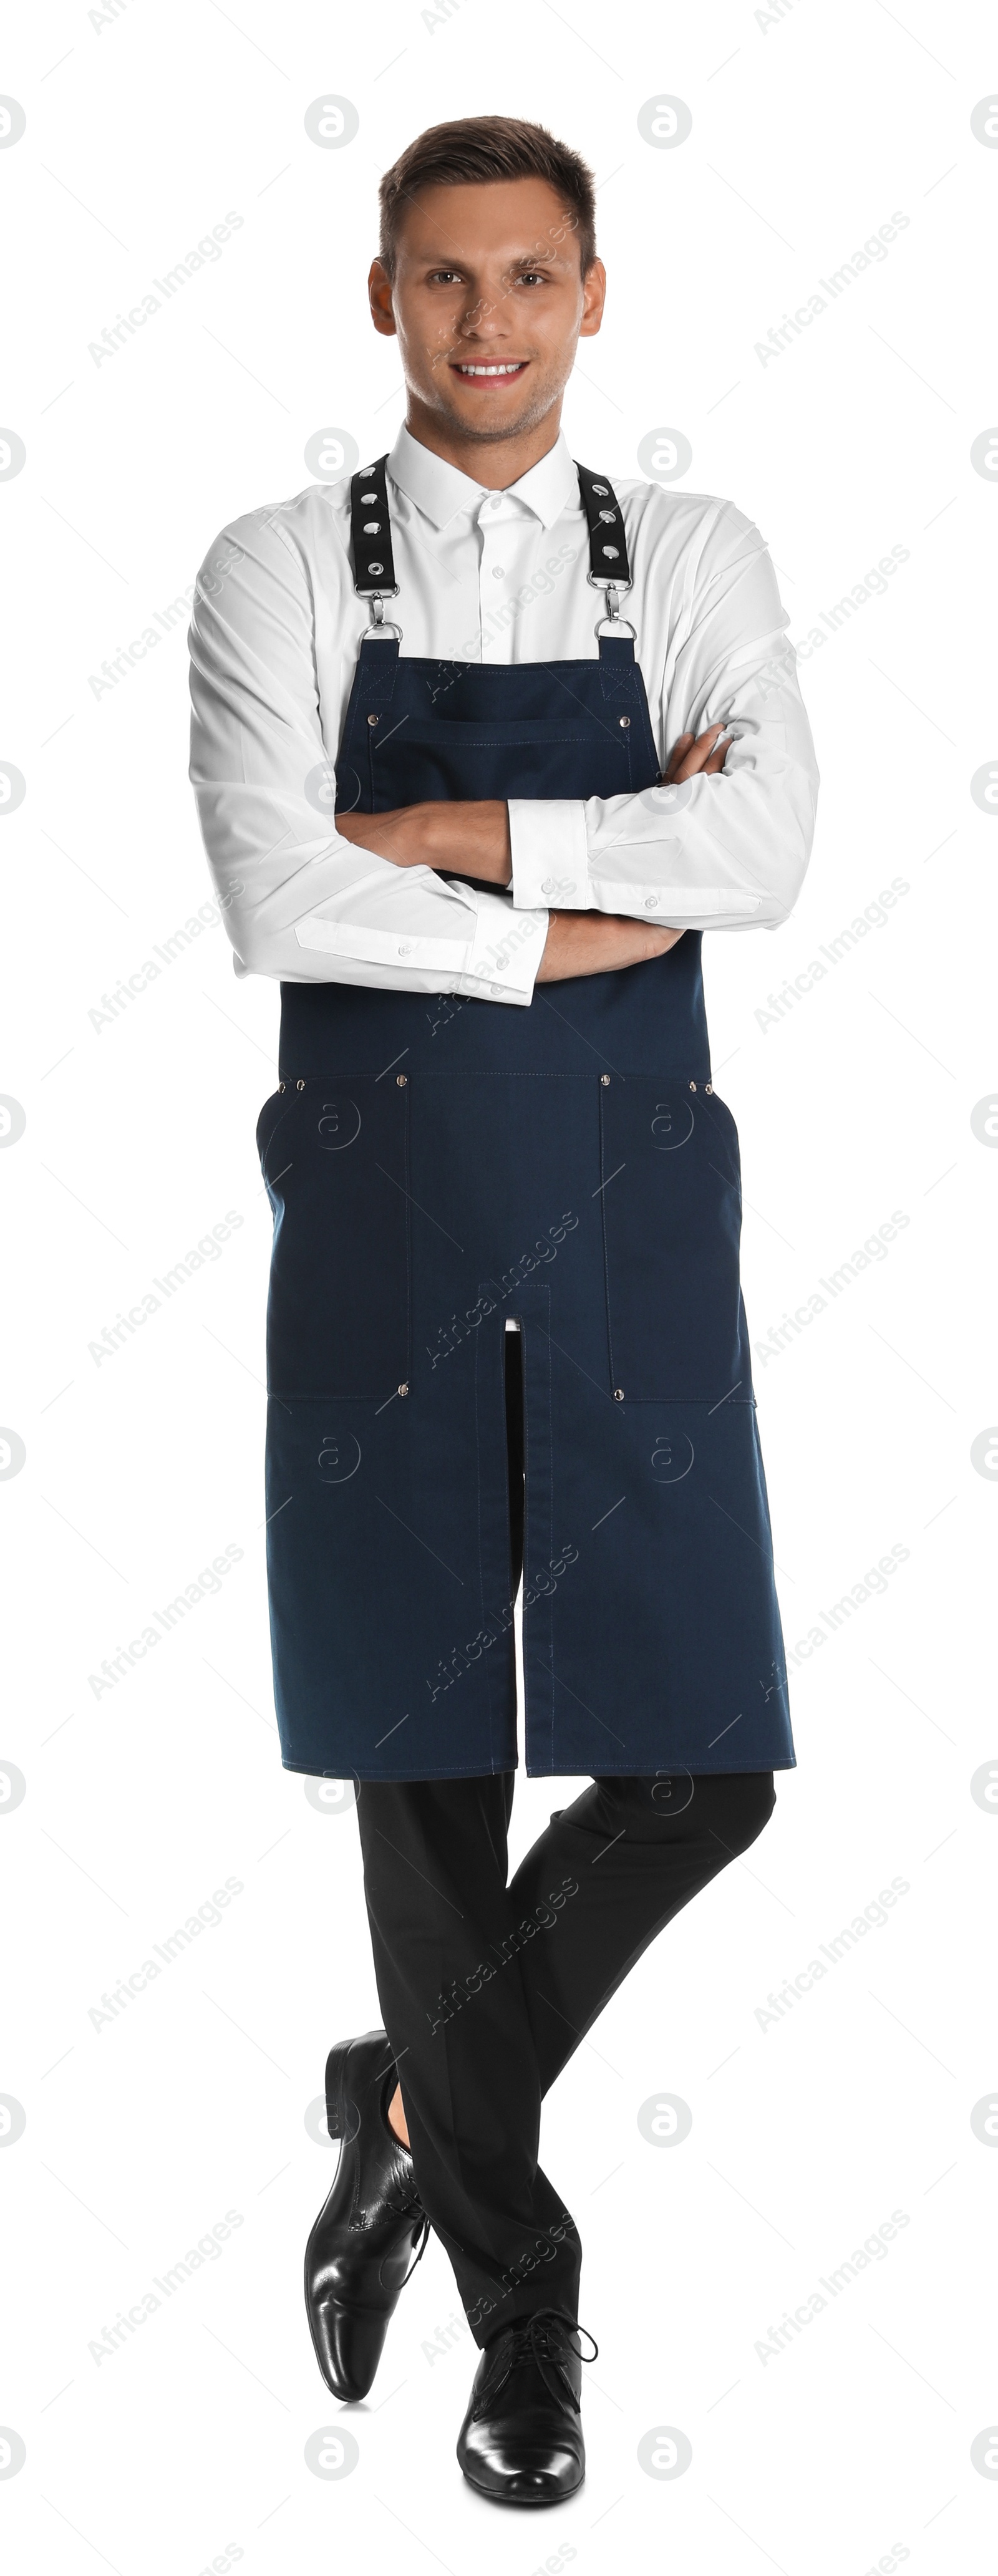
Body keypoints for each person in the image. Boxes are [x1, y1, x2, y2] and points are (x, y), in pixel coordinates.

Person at [188, 114, 818, 2508]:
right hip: (390, 1240)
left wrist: (452, 838)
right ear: (384, 299)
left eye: (527, 276)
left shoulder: (703, 553)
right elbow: (270, 890)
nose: (486, 320)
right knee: (426, 1783)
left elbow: (762, 850)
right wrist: (575, 914)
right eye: (443, 278)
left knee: (701, 1767)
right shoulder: (277, 573)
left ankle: (406, 2108)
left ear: (589, 293)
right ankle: (528, 2325)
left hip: (638, 1224)